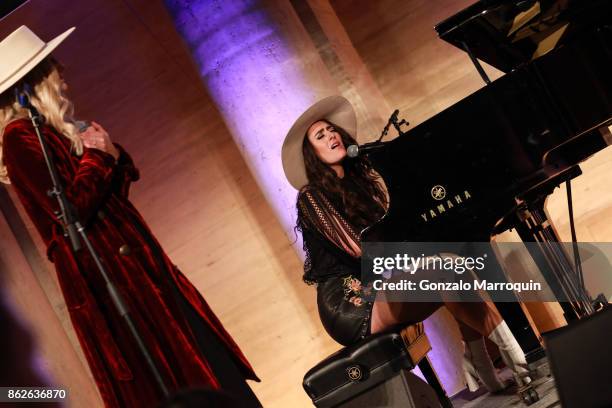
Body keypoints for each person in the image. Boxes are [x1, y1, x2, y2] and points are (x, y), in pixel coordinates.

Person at [0, 26, 260, 407]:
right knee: (178, 372)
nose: (64, 81)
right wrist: (98, 157)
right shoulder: (20, 138)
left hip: (140, 274)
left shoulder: (47, 133)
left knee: (207, 363)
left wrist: (108, 156)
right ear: (35, 82)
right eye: (54, 69)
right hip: (116, 283)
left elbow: (107, 201)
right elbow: (67, 213)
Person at [281, 95, 532, 393]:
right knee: (444, 270)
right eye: (320, 136)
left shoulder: (359, 187)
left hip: (380, 281)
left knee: (455, 272)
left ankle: (484, 367)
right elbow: (361, 250)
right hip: (351, 300)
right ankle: (516, 357)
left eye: (331, 130)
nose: (331, 135)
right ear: (312, 154)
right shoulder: (312, 196)